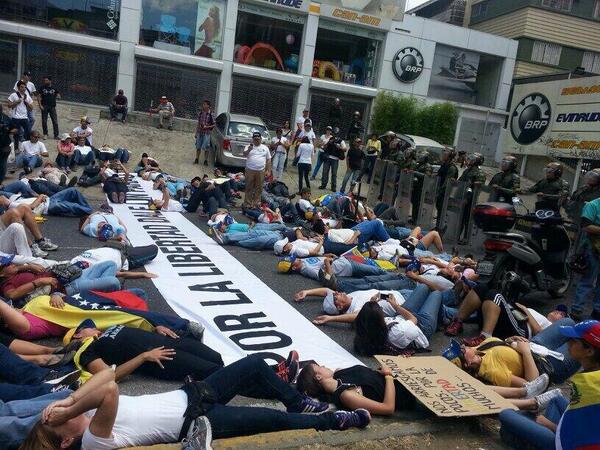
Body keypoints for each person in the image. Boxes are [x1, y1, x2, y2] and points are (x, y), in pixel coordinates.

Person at [21, 356, 371, 449]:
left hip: (194, 395)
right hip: (199, 421)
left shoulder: (88, 411)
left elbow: (106, 377)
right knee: (271, 419)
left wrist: (69, 397)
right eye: (55, 420)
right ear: (66, 439)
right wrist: (71, 407)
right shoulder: (94, 440)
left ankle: (296, 401)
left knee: (252, 364)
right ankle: (335, 420)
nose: (59, 413)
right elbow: (110, 390)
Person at [498, 320, 600, 450]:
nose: (568, 341)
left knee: (505, 414)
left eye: (574, 340)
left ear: (589, 351)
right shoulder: (593, 376)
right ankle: (528, 419)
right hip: (574, 430)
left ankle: (526, 428)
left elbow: (578, 437)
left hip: (568, 444)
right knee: (555, 399)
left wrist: (550, 425)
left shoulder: (592, 387)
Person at [64, 321, 223, 382]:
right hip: (162, 357)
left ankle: (193, 376)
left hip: (170, 341)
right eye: (86, 328)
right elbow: (110, 377)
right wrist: (144, 357)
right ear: (78, 335)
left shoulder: (107, 330)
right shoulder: (86, 352)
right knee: (214, 370)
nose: (92, 327)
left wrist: (156, 327)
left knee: (217, 358)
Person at [453, 317, 581, 387]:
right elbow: (533, 384)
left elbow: (501, 345)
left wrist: (510, 340)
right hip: (548, 365)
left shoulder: (480, 349)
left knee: (568, 322)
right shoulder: (492, 372)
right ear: (467, 363)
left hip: (535, 346)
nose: (464, 346)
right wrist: (525, 353)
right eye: (462, 351)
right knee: (585, 341)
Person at [353, 286, 442, 355]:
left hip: (400, 318)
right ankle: (444, 316)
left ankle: (438, 312)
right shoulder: (398, 333)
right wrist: (395, 306)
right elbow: (413, 319)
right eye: (380, 309)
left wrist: (372, 304)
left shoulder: (369, 330)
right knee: (436, 293)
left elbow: (369, 316)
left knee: (423, 287)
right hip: (421, 326)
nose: (381, 309)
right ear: (378, 320)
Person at [572, 196, 600, 321]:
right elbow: (586, 226)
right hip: (592, 249)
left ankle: (597, 311)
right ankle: (576, 310)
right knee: (587, 280)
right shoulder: (593, 205)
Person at [458, 152, 486, 242]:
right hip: (463, 197)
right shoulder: (467, 171)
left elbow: (477, 189)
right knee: (461, 218)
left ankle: (466, 238)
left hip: (472, 200)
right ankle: (457, 236)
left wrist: (468, 198)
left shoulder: (480, 173)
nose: (469, 160)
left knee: (468, 220)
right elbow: (461, 182)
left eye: (472, 159)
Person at [242, 131, 271, 209]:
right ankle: (247, 204)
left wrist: (268, 170)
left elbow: (268, 159)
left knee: (259, 188)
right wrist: (249, 150)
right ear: (253, 139)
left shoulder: (265, 148)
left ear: (261, 139)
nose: (257, 140)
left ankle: (256, 204)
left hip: (261, 171)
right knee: (249, 187)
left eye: (258, 139)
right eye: (255, 139)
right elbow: (244, 154)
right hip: (250, 170)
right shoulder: (248, 146)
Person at [435, 148, 458, 228]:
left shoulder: (452, 167)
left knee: (443, 211)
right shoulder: (444, 164)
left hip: (445, 193)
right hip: (440, 191)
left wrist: (440, 192)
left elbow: (447, 182)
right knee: (439, 209)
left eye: (445, 154)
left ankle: (441, 227)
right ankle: (438, 226)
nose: (443, 156)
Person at [194, 100, 215, 166]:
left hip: (207, 133)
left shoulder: (211, 114)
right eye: (203, 104)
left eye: (205, 104)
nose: (203, 106)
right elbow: (198, 123)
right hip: (200, 132)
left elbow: (214, 125)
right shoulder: (200, 113)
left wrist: (207, 127)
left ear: (208, 106)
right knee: (198, 146)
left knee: (206, 147)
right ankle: (197, 159)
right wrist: (196, 132)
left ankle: (205, 160)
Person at [0, 105, 16, 183]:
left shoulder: (6, 118)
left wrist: (11, 131)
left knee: (3, 164)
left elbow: (15, 128)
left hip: (4, 146)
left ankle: (0, 181)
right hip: (4, 145)